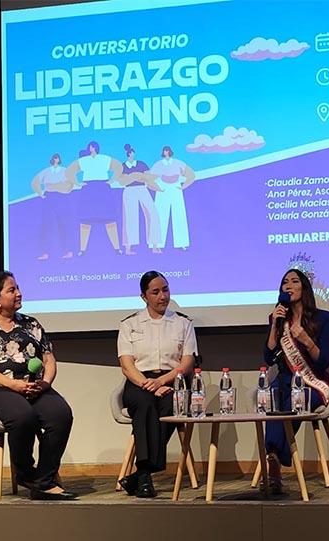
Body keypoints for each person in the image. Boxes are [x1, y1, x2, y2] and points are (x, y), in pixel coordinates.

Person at [0, 271, 75, 500]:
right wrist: (11, 384)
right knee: (22, 416)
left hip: (31, 386)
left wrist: (45, 383)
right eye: (12, 290)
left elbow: (48, 358)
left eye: (17, 288)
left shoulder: (31, 324)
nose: (19, 293)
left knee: (60, 414)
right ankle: (26, 473)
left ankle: (44, 480)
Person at [117, 271, 197, 498]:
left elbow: (187, 362)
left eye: (166, 290)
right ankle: (144, 473)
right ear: (144, 296)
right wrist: (148, 385)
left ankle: (142, 475)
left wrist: (162, 381)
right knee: (145, 405)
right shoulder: (129, 324)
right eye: (156, 292)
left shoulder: (183, 323)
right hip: (138, 383)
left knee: (171, 405)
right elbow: (127, 365)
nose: (163, 296)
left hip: (173, 381)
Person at [263, 269, 329, 493]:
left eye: (294, 281)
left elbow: (323, 362)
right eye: (285, 282)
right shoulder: (277, 318)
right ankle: (275, 457)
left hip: (311, 382)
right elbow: (268, 357)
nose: (289, 286)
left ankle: (274, 456)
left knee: (298, 398)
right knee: (273, 400)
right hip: (284, 378)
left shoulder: (323, 318)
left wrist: (304, 338)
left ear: (304, 288)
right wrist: (275, 326)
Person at [65, 141, 123, 256]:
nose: (89, 148)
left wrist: (112, 180)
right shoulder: (84, 160)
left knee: (110, 220)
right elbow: (69, 171)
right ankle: (82, 249)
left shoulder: (104, 158)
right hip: (89, 189)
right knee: (85, 221)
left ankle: (117, 248)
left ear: (93, 148)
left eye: (90, 147)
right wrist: (77, 183)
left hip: (102, 188)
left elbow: (118, 167)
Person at [147, 146, 195, 251]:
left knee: (179, 214)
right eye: (164, 151)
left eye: (168, 151)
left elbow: (191, 174)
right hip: (162, 189)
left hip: (176, 188)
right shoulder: (158, 164)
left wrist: (183, 186)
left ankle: (182, 242)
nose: (166, 152)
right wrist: (157, 188)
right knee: (159, 215)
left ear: (170, 152)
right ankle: (156, 244)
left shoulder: (178, 163)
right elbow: (149, 179)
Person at [30, 153, 75, 260]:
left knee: (64, 225)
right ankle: (45, 253)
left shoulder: (64, 171)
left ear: (59, 159)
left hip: (61, 198)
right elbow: (35, 182)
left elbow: (70, 185)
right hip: (49, 197)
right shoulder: (46, 171)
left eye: (57, 158)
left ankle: (68, 251)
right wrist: (41, 194)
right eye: (54, 158)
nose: (56, 159)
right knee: (46, 225)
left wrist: (57, 187)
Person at [118, 143, 161, 255]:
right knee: (130, 218)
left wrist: (135, 177)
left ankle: (154, 245)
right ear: (129, 153)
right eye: (130, 153)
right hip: (129, 191)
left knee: (152, 213)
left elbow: (148, 177)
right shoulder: (122, 166)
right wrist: (136, 177)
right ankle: (128, 247)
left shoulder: (141, 164)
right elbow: (123, 181)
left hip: (142, 189)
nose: (131, 154)